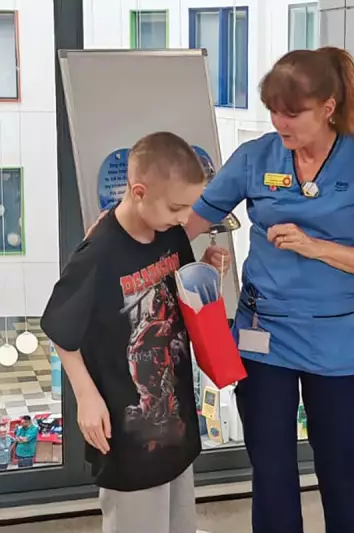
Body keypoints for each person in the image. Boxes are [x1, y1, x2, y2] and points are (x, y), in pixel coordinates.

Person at [184, 47, 354, 533]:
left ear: (327, 107)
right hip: (265, 338)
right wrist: (125, 229)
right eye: (273, 111)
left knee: (343, 475)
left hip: (335, 344)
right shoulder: (255, 157)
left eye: (292, 112)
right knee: (272, 474)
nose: (280, 123)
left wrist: (315, 247)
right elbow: (189, 221)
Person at [41, 131, 230, 533]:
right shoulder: (100, 252)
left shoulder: (172, 234)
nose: (184, 218)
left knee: (180, 524)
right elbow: (59, 326)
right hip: (126, 436)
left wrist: (208, 272)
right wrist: (87, 397)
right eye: (176, 207)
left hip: (176, 423)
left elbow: (180, 299)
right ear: (139, 191)